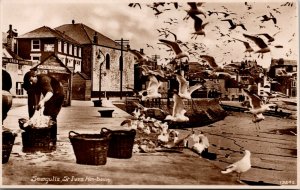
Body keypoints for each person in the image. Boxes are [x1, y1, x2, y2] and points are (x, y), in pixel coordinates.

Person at [23, 70, 65, 142]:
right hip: (51, 96)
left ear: (34, 76)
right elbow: (37, 95)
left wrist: (43, 101)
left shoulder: (43, 79)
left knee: (51, 115)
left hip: (58, 94)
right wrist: (36, 106)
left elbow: (49, 93)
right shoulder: (34, 84)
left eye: (31, 80)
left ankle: (52, 137)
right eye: (29, 82)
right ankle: (47, 135)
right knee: (46, 114)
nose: (31, 83)